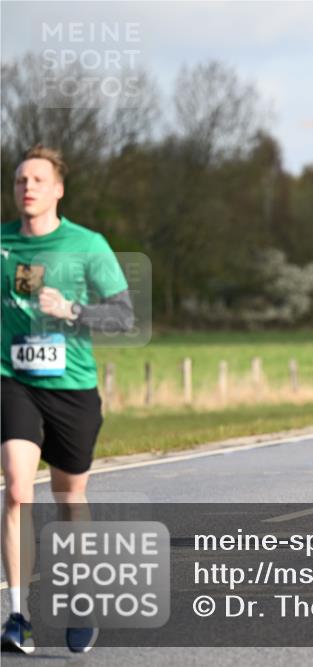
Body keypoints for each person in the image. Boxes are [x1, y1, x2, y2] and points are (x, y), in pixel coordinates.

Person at [2, 145, 135, 654]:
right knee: (18, 489)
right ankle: (18, 617)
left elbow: (123, 316)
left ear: (58, 189)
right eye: (20, 180)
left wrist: (72, 310)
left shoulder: (87, 244)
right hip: (12, 379)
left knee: (69, 497)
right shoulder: (3, 243)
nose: (27, 187)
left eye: (38, 179)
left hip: (72, 387)